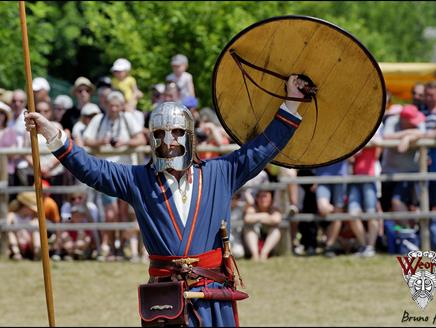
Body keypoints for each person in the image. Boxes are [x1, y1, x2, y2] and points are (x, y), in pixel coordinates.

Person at [24, 75, 305, 327]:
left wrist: (291, 103)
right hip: (165, 299)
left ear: (190, 136)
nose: (168, 140)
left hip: (212, 295)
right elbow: (92, 169)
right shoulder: (138, 180)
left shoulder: (221, 172)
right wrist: (52, 134)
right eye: (159, 134)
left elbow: (260, 150)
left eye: (176, 132)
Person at [242, 189, 283, 261]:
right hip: (251, 245)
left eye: (265, 196)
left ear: (271, 199)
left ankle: (264, 254)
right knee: (248, 230)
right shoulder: (253, 208)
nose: (263, 199)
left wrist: (257, 217)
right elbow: (247, 218)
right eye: (261, 197)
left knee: (276, 231)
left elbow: (276, 219)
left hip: (270, 246)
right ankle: (255, 255)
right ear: (256, 199)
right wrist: (265, 215)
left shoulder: (273, 208)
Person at [6, 192, 40, 260]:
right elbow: (6, 226)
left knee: (35, 228)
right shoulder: (12, 216)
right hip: (17, 242)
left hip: (29, 243)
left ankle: (37, 251)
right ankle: (16, 253)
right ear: (25, 206)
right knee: (10, 231)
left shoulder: (32, 218)